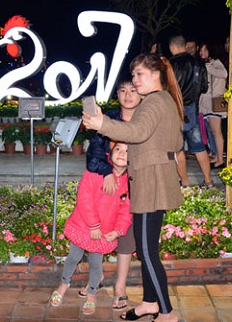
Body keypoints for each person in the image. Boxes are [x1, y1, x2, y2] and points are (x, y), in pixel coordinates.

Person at [82, 53, 183, 322]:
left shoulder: (154, 101)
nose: (135, 80)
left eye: (140, 74)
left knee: (148, 252)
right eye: (134, 74)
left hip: (152, 183)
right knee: (146, 247)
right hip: (152, 180)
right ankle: (150, 303)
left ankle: (167, 312)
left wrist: (102, 124)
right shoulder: (163, 101)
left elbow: (137, 133)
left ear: (156, 74)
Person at [50, 142, 132, 316]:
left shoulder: (129, 183)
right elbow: (84, 199)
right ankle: (63, 284)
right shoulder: (95, 172)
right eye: (118, 149)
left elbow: (126, 211)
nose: (122, 153)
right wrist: (93, 225)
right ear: (109, 153)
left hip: (104, 233)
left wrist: (117, 231)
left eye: (127, 151)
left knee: (96, 264)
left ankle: (92, 294)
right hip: (84, 226)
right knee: (74, 257)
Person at [82, 76, 141, 310]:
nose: (128, 95)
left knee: (125, 236)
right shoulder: (107, 120)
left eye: (133, 90)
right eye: (123, 90)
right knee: (97, 231)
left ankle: (120, 287)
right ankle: (96, 277)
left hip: (135, 187)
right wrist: (107, 171)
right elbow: (94, 153)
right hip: (108, 188)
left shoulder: (146, 119)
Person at [168, 34, 214, 189]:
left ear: (172, 47)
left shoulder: (170, 64)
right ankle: (208, 181)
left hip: (174, 110)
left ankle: (185, 184)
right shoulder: (198, 63)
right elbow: (204, 87)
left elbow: (165, 88)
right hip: (192, 109)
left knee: (177, 149)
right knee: (199, 147)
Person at [199, 43, 228, 169]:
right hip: (208, 103)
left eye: (204, 49)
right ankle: (217, 156)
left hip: (214, 102)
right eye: (201, 49)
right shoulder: (208, 63)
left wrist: (207, 68)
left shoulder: (215, 62)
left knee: (216, 131)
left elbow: (224, 74)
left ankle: (220, 159)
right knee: (213, 131)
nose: (202, 51)